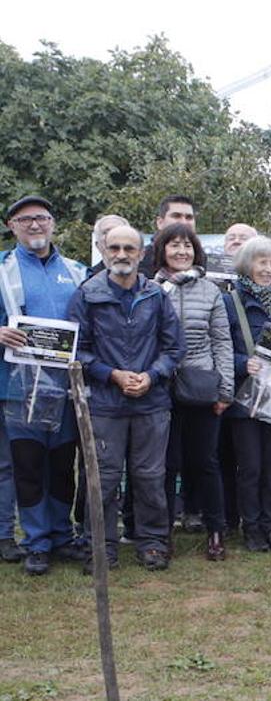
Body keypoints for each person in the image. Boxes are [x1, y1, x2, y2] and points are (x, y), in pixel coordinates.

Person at [68, 224, 185, 571]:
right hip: (104, 403)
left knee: (150, 476)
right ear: (104, 251)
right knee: (102, 478)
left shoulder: (156, 295)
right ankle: (100, 546)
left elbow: (175, 347)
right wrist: (112, 374)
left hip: (152, 402)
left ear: (141, 253)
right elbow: (76, 349)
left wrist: (152, 376)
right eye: (115, 248)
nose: (121, 254)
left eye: (129, 248)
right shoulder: (86, 294)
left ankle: (152, 543)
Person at [0, 196, 89, 574]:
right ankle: (36, 542)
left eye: (41, 218)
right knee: (29, 465)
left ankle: (62, 536)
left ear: (53, 223)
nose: (35, 225)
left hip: (66, 387)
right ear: (11, 226)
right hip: (19, 388)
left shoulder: (77, 271)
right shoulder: (2, 268)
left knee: (63, 464)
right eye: (25, 220)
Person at [151, 223, 234, 561]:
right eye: (174, 245)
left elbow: (222, 342)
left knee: (206, 462)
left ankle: (216, 531)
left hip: (201, 386)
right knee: (166, 463)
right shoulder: (150, 288)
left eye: (187, 245)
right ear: (162, 250)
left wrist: (225, 391)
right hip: (161, 386)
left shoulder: (211, 291)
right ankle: (162, 532)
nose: (181, 251)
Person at [223, 236, 271, 552]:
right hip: (245, 397)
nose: (268, 269)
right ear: (247, 265)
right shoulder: (230, 300)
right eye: (262, 262)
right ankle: (252, 528)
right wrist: (242, 363)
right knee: (251, 467)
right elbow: (220, 346)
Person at [218, 222, 257, 536]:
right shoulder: (210, 281)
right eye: (231, 238)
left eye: (243, 239)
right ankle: (227, 518)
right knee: (221, 456)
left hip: (257, 390)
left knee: (251, 460)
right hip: (221, 384)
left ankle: (249, 518)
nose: (236, 242)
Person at [139, 195, 197, 277]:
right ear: (160, 222)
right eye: (176, 216)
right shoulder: (143, 258)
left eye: (189, 217)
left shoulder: (200, 256)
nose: (184, 222)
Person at [86, 214, 130, 278]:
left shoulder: (143, 276)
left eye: (118, 231)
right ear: (98, 246)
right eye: (106, 232)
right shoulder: (88, 277)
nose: (112, 235)